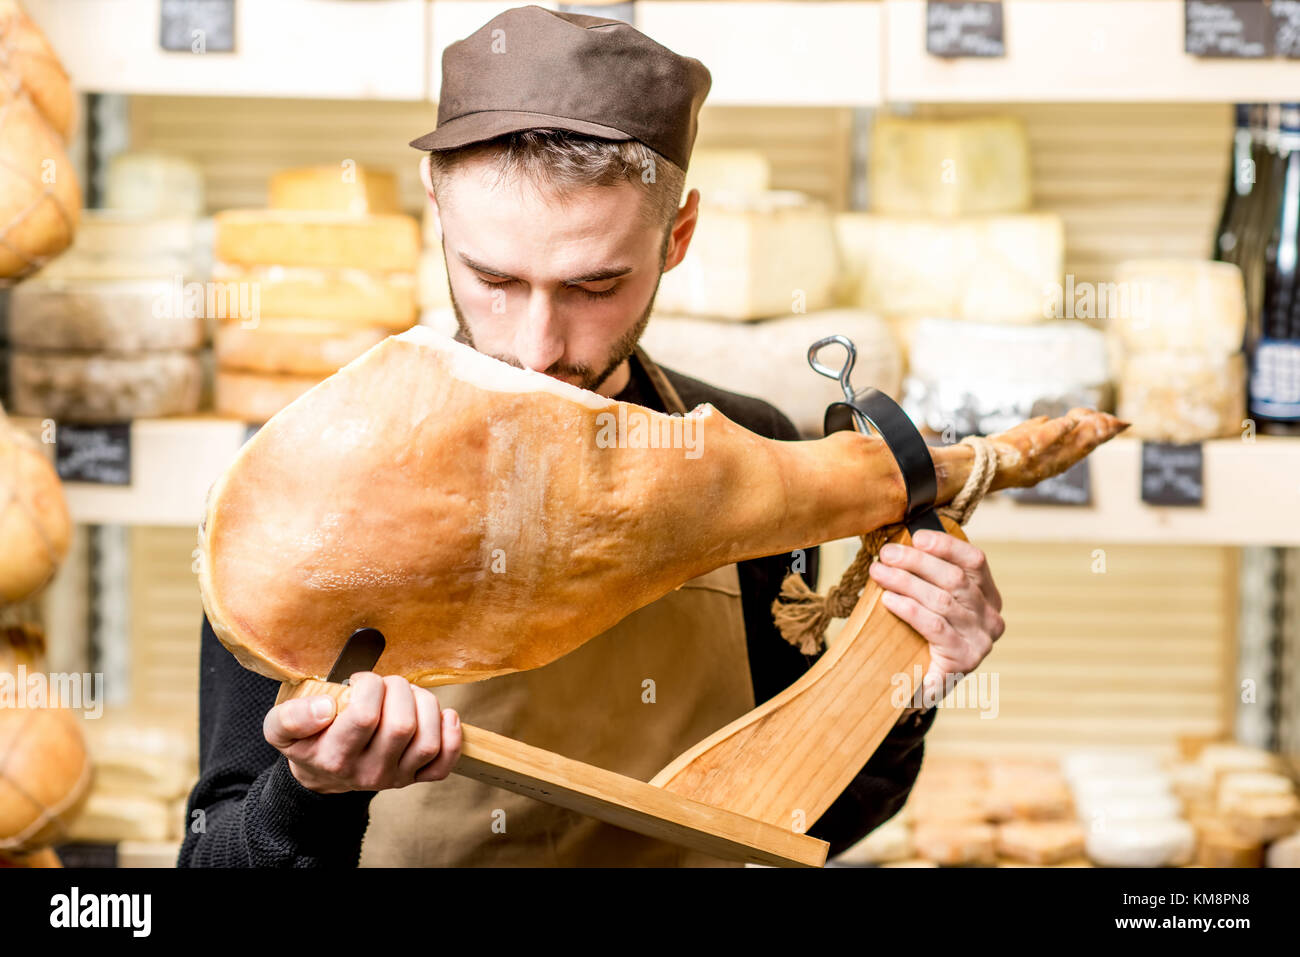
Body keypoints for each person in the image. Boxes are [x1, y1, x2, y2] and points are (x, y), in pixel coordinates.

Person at [179, 6, 1005, 868]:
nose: (538, 346)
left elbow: (806, 818)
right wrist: (312, 796)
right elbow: (211, 859)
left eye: (594, 285)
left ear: (676, 236)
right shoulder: (306, 475)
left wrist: (908, 678)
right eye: (493, 276)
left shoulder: (748, 450)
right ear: (437, 216)